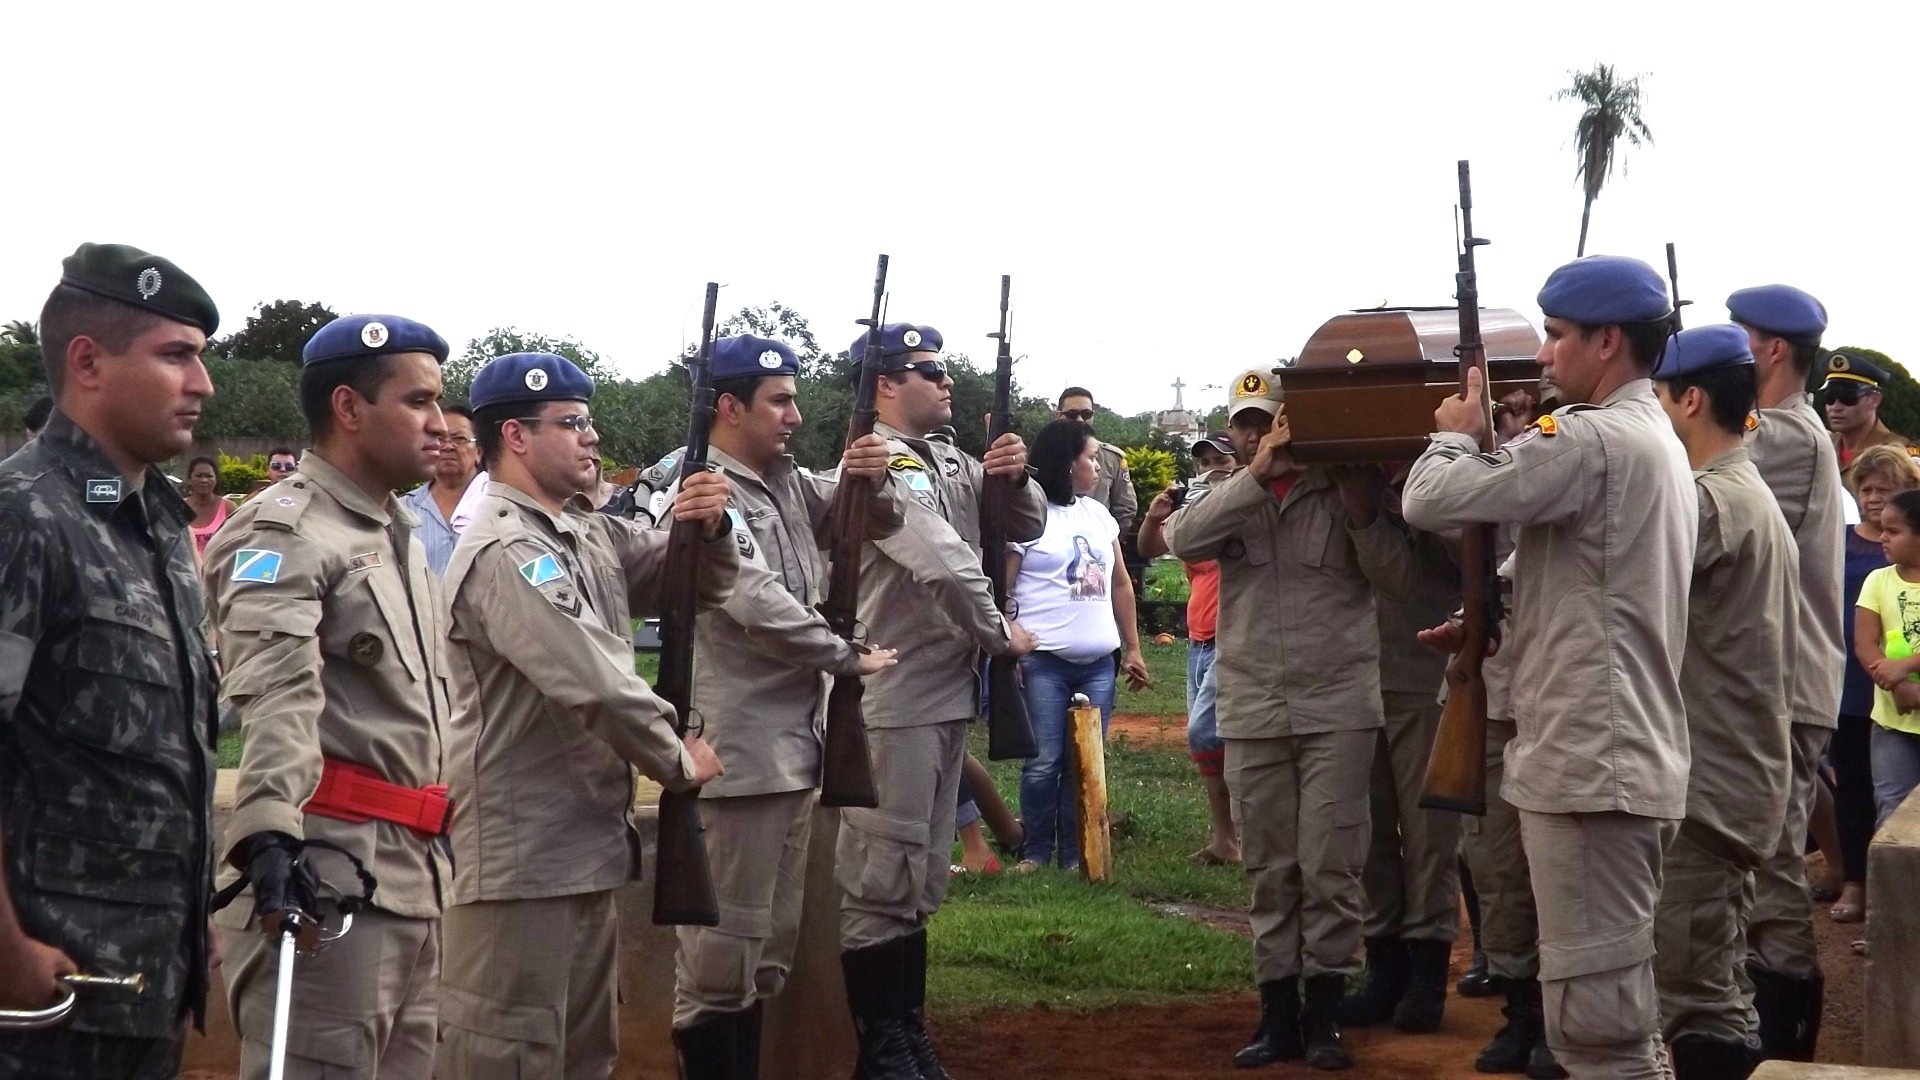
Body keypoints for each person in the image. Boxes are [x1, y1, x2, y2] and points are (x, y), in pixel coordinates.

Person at [1402, 255, 1694, 1080]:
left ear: (1608, 342)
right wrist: (1482, 616)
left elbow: (1429, 500)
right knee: (1610, 1014)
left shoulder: (1594, 437)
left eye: (1559, 335)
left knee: (1598, 1027)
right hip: (1605, 751)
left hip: (1591, 762)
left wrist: (1453, 435)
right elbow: (1584, 573)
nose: (1544, 351)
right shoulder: (1645, 435)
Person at [433, 353, 732, 1078]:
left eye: (589, 421)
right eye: (571, 424)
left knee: (582, 1055)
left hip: (578, 843)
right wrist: (675, 757)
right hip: (519, 854)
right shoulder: (510, 545)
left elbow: (691, 583)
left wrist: (710, 528)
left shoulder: (582, 530)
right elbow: (593, 678)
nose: (591, 437)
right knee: (510, 1056)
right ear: (516, 436)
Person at [204, 313, 453, 1080]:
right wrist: (269, 834)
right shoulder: (286, 534)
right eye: (418, 402)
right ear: (349, 408)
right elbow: (278, 694)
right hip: (325, 881)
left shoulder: (392, 533)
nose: (441, 425)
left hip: (412, 876)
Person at [0, 242, 220, 1078]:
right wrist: (5, 948)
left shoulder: (153, 525)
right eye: (176, 356)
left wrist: (188, 919)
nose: (202, 383)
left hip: (141, 984)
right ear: (88, 362)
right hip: (43, 1000)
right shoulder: (24, 515)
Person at [656, 336, 905, 1075]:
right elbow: (752, 599)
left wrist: (873, 477)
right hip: (739, 751)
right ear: (729, 407)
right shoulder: (708, 492)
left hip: (794, 747)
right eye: (781, 400)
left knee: (765, 955)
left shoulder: (788, 483)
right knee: (719, 963)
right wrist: (845, 656)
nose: (797, 415)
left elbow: (876, 524)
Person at [1164, 367, 1406, 1071]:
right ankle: (1277, 1015)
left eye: (1264, 420)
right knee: (1272, 869)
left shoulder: (1345, 487)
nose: (1250, 434)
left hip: (1337, 705)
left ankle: (1324, 1013)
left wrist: (1362, 507)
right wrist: (1254, 476)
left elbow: (1394, 579)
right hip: (1254, 706)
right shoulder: (1228, 498)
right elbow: (1182, 541)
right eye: (1241, 422)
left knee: (1330, 864)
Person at [836, 322, 1041, 1080]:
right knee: (881, 877)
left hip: (944, 689)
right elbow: (944, 565)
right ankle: (880, 1047)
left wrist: (1016, 476)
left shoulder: (950, 459)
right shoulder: (880, 466)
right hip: (897, 689)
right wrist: (999, 636)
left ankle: (907, 1035)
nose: (944, 380)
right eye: (927, 369)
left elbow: (1027, 524)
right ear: (885, 385)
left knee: (919, 880)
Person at [1649, 324, 1799, 1079]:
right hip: (1727, 774)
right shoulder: (1740, 488)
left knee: (1698, 994)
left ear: (1691, 399)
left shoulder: (1710, 502)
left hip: (1711, 787)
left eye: (1657, 396)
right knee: (1699, 981)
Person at [1729, 283, 1843, 1060]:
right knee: (1753, 866)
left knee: (1770, 871)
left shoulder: (1784, 435)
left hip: (1781, 687)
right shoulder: (1773, 428)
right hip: (1769, 685)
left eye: (1739, 338)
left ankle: (1784, 1055)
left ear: (1771, 350)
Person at [1337, 461, 1463, 1036]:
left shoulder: (1442, 477)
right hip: (1358, 679)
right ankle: (1384, 966)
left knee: (1430, 834)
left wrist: (1374, 509)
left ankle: (1427, 972)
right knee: (1371, 835)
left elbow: (1406, 581)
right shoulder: (1347, 478)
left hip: (1425, 680)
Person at [1008, 419, 1151, 872]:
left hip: (1098, 664)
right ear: (1069, 463)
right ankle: (1035, 851)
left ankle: (1075, 853)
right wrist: (1005, 640)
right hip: (1044, 662)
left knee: (1084, 762)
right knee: (1044, 761)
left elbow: (1121, 585)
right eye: (1091, 457)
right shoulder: (1027, 514)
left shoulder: (1098, 514)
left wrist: (1132, 648)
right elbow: (1001, 588)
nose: (1097, 466)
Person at [1138, 431, 1241, 866]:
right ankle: (1227, 839)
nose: (1209, 468)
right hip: (1199, 639)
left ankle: (1245, 834)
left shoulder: (1240, 507)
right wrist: (1155, 516)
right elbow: (1147, 550)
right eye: (1202, 462)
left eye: (1220, 459)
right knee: (1211, 744)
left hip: (1233, 636)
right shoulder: (1195, 513)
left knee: (1205, 734)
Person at [1832, 446, 1920, 924]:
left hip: (1903, 692)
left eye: (1883, 490)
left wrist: (1906, 673)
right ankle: (1879, 903)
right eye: (1864, 489)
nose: (1870, 498)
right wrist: (1891, 677)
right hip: (1868, 695)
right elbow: (1859, 633)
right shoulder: (1857, 556)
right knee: (1870, 795)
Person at [1853, 487, 1920, 830]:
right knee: (1892, 814)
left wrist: (1906, 666)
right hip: (1893, 722)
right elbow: (1865, 643)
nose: (1882, 538)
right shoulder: (1878, 581)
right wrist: (1896, 686)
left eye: (1893, 531)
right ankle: (1896, 885)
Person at [399, 401, 479, 574]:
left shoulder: (498, 505)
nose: (448, 446)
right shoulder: (402, 511)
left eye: (460, 439)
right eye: (440, 439)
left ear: (479, 451)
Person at [1056, 387, 1136, 535]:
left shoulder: (1111, 458)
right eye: (1072, 415)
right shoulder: (1044, 454)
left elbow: (1125, 508)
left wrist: (1108, 541)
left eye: (1086, 414)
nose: (1080, 420)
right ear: (1058, 415)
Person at [1823, 350, 1920, 469]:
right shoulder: (1822, 447)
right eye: (1830, 397)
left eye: (1848, 397)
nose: (1835, 407)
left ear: (1875, 399)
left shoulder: (1900, 455)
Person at [184, 453, 231, 560]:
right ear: (189, 479)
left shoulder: (228, 507)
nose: (204, 480)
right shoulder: (179, 508)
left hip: (218, 572)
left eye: (209, 476)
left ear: (216, 479)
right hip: (188, 572)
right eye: (198, 476)